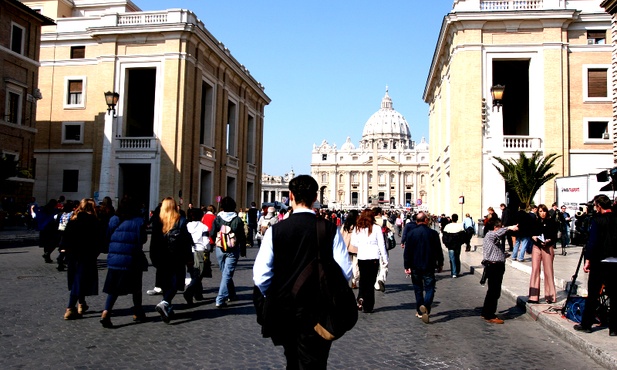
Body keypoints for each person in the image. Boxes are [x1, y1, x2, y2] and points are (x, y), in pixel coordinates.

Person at [253, 175, 352, 368]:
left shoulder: (276, 230)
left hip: (286, 309)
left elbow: (261, 275)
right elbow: (345, 271)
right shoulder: (329, 229)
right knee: (316, 361)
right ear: (316, 196)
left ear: (290, 195)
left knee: (292, 358)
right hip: (319, 310)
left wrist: (276, 295)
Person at [100, 196, 148, 328]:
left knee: (114, 289)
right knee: (136, 287)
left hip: (115, 258)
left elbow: (108, 235)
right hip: (132, 257)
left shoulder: (114, 219)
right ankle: (138, 311)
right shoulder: (139, 221)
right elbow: (143, 239)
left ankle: (106, 312)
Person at [573, 194, 617, 336]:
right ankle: (614, 328)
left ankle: (586, 324)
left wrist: (588, 260)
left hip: (599, 261)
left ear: (598, 206)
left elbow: (592, 242)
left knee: (593, 295)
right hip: (615, 262)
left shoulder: (597, 220)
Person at [150, 197, 193, 323]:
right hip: (176, 257)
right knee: (176, 283)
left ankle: (168, 308)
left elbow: (153, 241)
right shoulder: (181, 220)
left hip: (161, 256)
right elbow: (186, 241)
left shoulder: (158, 221)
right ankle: (165, 303)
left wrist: (153, 257)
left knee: (166, 283)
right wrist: (189, 258)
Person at [60, 199, 102, 320]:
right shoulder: (94, 221)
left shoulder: (74, 219)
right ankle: (70, 308)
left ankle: (81, 304)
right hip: (87, 255)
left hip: (73, 255)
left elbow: (65, 236)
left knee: (77, 280)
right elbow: (98, 240)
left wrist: (64, 249)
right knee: (79, 281)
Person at [403, 211, 444, 324]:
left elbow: (407, 252)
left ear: (417, 221)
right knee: (430, 288)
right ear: (426, 220)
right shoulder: (433, 233)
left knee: (418, 288)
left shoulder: (411, 233)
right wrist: (440, 263)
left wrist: (407, 265)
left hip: (415, 265)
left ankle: (420, 310)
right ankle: (426, 307)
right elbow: (438, 251)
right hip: (429, 265)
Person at [211, 196, 246, 308]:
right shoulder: (237, 219)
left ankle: (232, 294)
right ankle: (220, 299)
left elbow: (212, 233)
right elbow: (241, 236)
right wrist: (243, 249)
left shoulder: (218, 218)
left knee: (225, 273)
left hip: (220, 248)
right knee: (227, 274)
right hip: (232, 248)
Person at [481, 220, 518, 324]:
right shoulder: (490, 235)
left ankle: (486, 312)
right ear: (495, 227)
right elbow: (497, 233)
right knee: (494, 291)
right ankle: (490, 314)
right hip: (493, 266)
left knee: (493, 291)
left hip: (497, 265)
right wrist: (509, 227)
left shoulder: (496, 239)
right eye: (500, 228)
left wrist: (503, 254)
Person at [352, 208, 388, 312]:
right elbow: (381, 245)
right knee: (371, 281)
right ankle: (368, 306)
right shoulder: (376, 228)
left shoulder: (357, 228)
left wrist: (362, 245)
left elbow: (354, 242)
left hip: (362, 257)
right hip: (373, 257)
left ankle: (361, 297)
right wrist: (385, 259)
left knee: (363, 279)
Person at [528, 204, 558, 304]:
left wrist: (548, 241)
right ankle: (533, 296)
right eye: (540, 211)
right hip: (537, 246)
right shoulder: (534, 222)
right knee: (535, 270)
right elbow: (531, 233)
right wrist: (534, 238)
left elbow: (554, 236)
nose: (542, 213)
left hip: (547, 247)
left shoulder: (552, 222)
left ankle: (550, 296)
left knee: (548, 271)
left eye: (544, 211)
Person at [185, 208, 209, 303]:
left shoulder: (186, 226)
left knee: (191, 272)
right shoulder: (204, 227)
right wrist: (208, 248)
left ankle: (198, 293)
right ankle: (190, 292)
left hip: (188, 251)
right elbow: (206, 241)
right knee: (199, 273)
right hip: (199, 250)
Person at [35, 199, 60, 263]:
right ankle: (47, 254)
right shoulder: (54, 210)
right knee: (54, 242)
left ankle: (47, 256)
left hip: (43, 228)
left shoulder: (43, 209)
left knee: (46, 243)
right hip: (51, 227)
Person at [442, 214, 466, 278]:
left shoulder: (447, 226)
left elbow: (444, 236)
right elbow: (463, 236)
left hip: (450, 245)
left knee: (452, 258)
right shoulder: (460, 226)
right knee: (457, 257)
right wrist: (461, 243)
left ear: (451, 218)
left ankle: (454, 272)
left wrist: (446, 244)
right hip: (457, 245)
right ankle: (457, 271)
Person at [341, 209, 360, 289]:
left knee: (348, 264)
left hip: (346, 247)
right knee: (356, 265)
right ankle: (354, 281)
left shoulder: (345, 225)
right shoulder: (358, 226)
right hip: (356, 248)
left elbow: (340, 235)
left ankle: (347, 280)